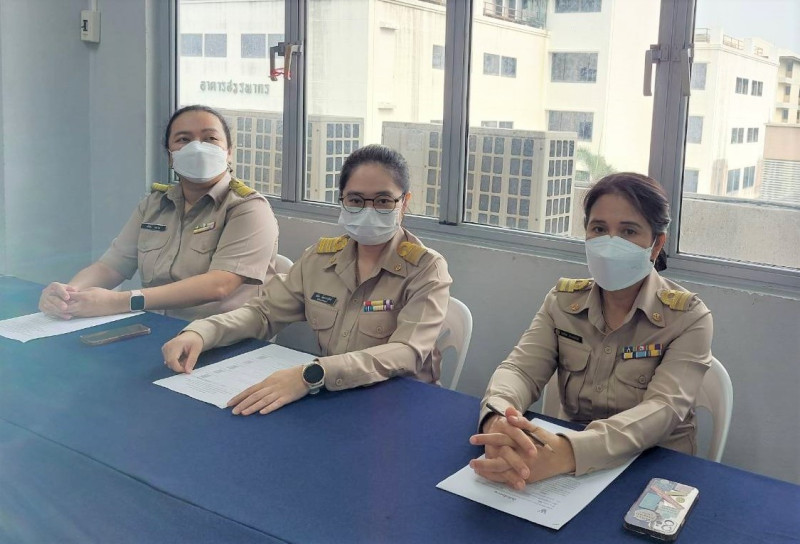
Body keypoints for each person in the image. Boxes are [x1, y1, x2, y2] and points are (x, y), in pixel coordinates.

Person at [162, 144, 452, 415]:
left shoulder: (426, 269)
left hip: (402, 406)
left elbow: (407, 352)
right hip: (334, 399)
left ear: (404, 202)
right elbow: (263, 313)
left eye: (383, 201)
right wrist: (202, 332)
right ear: (341, 201)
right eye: (355, 200)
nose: (368, 210)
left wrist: (313, 374)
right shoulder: (320, 259)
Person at [470, 172, 713, 490]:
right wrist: (500, 418)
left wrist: (568, 452)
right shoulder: (563, 302)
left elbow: (663, 409)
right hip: (564, 464)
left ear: (656, 244)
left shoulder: (688, 318)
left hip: (653, 469)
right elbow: (520, 370)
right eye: (599, 229)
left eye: (628, 231)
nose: (610, 243)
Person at [38, 105, 279, 322]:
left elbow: (220, 285)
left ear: (229, 152)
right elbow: (111, 267)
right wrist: (67, 295)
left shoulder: (248, 208)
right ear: (170, 156)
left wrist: (121, 301)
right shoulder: (154, 204)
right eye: (184, 139)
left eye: (210, 138)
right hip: (154, 329)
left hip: (223, 338)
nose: (197, 147)